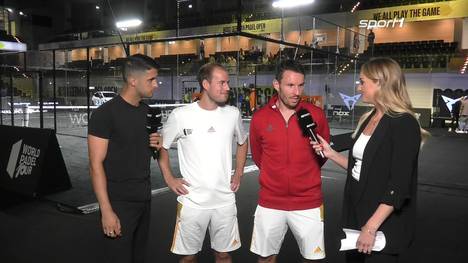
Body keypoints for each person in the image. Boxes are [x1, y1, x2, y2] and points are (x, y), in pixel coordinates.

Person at [312, 57, 428, 262]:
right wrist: (331, 154)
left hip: (380, 221)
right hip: (356, 212)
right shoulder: (369, 117)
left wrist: (371, 227)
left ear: (380, 83)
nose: (358, 87)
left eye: (363, 81)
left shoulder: (404, 123)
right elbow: (363, 168)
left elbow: (399, 186)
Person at [158, 63, 248, 263]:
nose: (227, 87)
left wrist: (238, 173)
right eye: (222, 83)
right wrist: (170, 178)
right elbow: (161, 147)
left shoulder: (233, 113)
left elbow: (243, 142)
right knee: (189, 258)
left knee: (223, 255)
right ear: (205, 84)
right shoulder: (180, 115)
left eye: (227, 83)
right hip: (192, 201)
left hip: (224, 200)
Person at [249, 59, 331, 262]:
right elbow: (260, 158)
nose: (297, 92)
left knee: (313, 259)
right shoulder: (260, 118)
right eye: (290, 85)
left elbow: (322, 155)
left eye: (301, 85)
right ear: (276, 85)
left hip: (308, 201)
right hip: (270, 202)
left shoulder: (316, 115)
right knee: (266, 258)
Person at [88, 54, 161, 263]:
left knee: (139, 257)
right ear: (133, 80)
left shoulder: (148, 112)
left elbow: (145, 152)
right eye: (151, 80)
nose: (156, 85)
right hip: (118, 203)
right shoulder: (105, 114)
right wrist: (107, 210)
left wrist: (155, 145)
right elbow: (95, 165)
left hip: (144, 198)